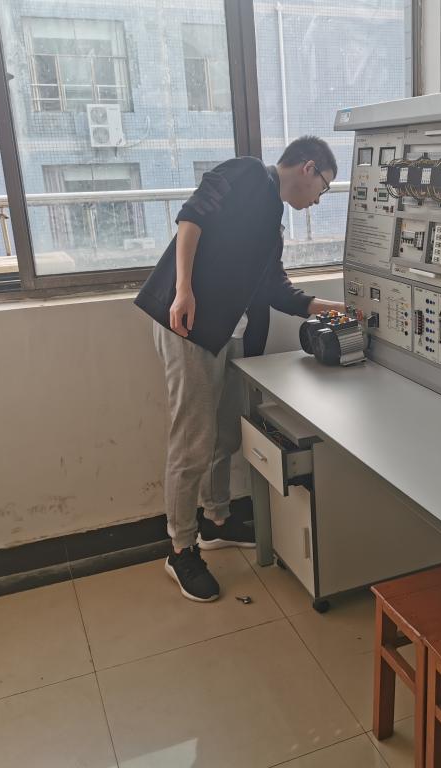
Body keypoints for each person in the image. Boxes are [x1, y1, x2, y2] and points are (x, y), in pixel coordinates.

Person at [135, 136, 346, 602]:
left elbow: (275, 287)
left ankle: (216, 519)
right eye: (324, 187)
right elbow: (192, 218)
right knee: (192, 440)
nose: (318, 201)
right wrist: (183, 290)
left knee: (227, 433)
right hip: (190, 327)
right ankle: (180, 548)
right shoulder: (248, 173)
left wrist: (331, 308)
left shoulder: (272, 224)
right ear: (308, 168)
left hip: (231, 335)